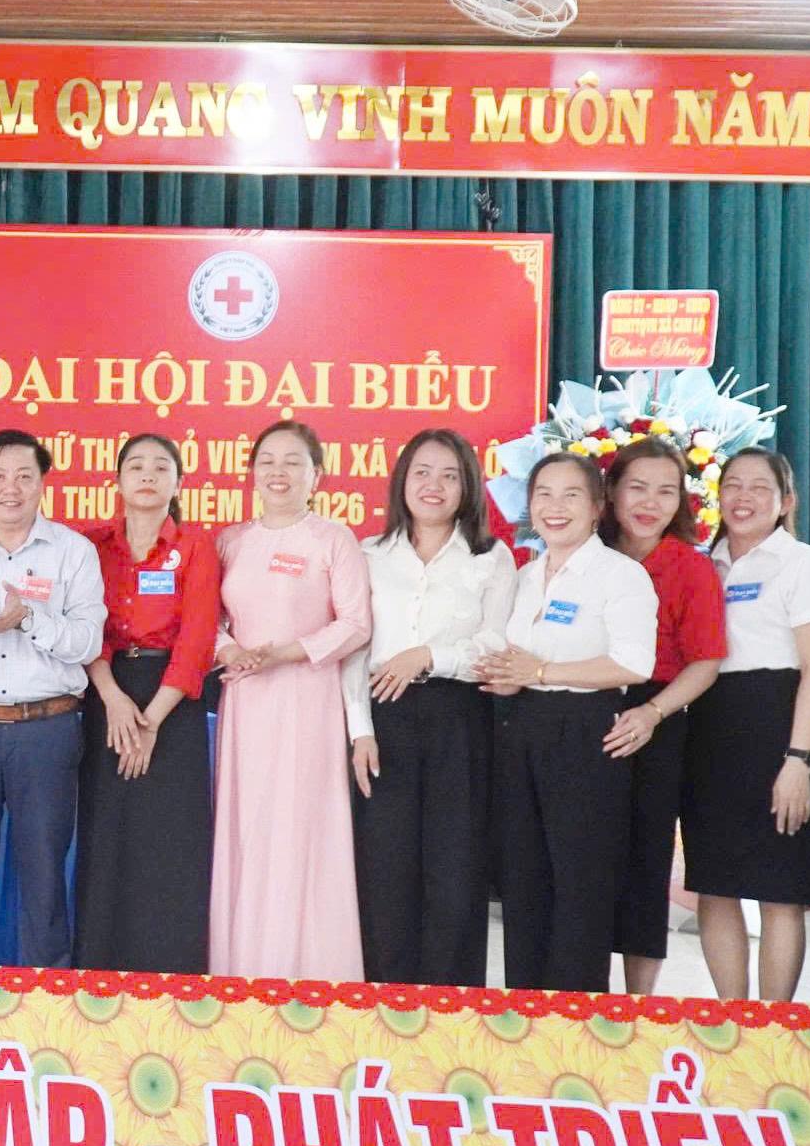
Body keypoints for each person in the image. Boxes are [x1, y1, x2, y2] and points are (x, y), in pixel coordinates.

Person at [480, 452, 658, 993]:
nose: (555, 507)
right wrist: (510, 679)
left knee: (580, 885)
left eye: (571, 495)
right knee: (523, 882)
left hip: (585, 733)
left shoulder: (620, 575)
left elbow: (634, 663)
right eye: (543, 495)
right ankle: (526, 1014)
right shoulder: (525, 576)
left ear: (598, 506)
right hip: (521, 729)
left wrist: (541, 671)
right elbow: (512, 656)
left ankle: (577, 1020)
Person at [343, 429, 515, 987]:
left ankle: (451, 1008)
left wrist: (429, 656)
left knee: (455, 871)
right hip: (383, 719)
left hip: (460, 719)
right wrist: (360, 731)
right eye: (422, 472)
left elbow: (496, 643)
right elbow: (354, 648)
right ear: (402, 481)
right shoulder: (369, 554)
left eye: (449, 475)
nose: (433, 485)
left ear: (467, 487)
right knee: (384, 869)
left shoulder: (491, 557)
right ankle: (385, 1004)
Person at [0, 429, 104, 968]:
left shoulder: (74, 552)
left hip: (47, 731)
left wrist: (28, 618)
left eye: (24, 476)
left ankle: (47, 997)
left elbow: (87, 643)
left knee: (45, 873)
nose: (11, 488)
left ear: (43, 483)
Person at [212, 421, 371, 980]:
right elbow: (207, 620)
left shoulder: (333, 539)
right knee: (248, 827)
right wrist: (231, 650)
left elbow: (356, 623)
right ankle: (241, 969)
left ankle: (310, 972)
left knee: (302, 827)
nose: (278, 473)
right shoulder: (230, 541)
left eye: (293, 462)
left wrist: (287, 653)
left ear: (316, 475)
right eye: (267, 461)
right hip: (245, 701)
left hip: (307, 698)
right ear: (252, 472)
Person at [685, 448, 810, 1002]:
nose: (743, 497)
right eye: (732, 485)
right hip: (709, 732)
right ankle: (734, 1020)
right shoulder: (703, 563)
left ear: (786, 500)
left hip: (779, 729)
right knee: (715, 887)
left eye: (759, 487)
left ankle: (775, 1025)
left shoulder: (803, 564)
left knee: (780, 891)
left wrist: (799, 761)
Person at [76, 433, 222, 974]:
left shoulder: (196, 547)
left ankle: (170, 977)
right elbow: (85, 630)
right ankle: (98, 975)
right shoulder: (91, 547)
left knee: (169, 845)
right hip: (107, 695)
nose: (147, 475)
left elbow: (198, 639)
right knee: (107, 837)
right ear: (116, 480)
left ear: (178, 483)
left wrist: (152, 721)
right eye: (135, 466)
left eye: (161, 467)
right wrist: (112, 697)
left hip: (172, 705)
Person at [601, 435, 728, 995]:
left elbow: (706, 662)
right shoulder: (585, 554)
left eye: (666, 491)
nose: (650, 503)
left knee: (644, 860)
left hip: (658, 715)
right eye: (637, 488)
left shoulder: (690, 568)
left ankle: (637, 1004)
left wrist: (652, 714)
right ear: (611, 491)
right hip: (583, 708)